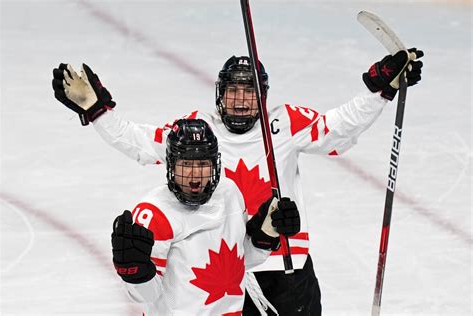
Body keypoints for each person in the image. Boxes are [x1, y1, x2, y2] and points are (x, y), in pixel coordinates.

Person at [52, 48, 423, 315]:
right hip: (227, 276)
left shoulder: (286, 123)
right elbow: (140, 142)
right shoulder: (198, 131)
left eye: (250, 92)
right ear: (219, 94)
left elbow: (338, 127)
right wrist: (97, 110)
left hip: (284, 266)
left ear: (263, 96)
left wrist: (381, 91)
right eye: (234, 91)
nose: (242, 101)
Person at [111, 118, 301, 315]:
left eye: (202, 163)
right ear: (172, 165)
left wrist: (264, 237)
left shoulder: (230, 194)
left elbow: (237, 264)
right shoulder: (154, 213)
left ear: (214, 165)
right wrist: (135, 273)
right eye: (185, 164)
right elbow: (147, 296)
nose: (194, 175)